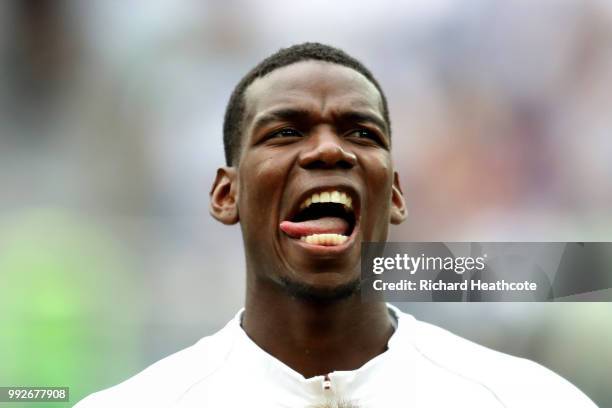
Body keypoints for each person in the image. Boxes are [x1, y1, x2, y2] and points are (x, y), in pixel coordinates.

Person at [75, 42, 596, 408]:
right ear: (226, 194)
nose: (328, 149)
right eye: (284, 132)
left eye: (361, 132)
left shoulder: (529, 399)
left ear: (394, 195)